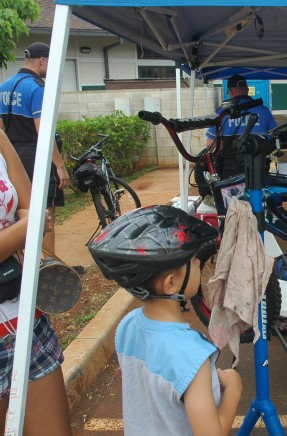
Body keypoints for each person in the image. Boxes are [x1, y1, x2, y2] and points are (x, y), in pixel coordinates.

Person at [87, 205, 242, 435]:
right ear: (171, 283)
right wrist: (233, 390)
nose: (199, 262)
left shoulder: (127, 326)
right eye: (192, 259)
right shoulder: (192, 356)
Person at [0, 129, 72, 435]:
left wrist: (31, 221)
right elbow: (34, 219)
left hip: (26, 317)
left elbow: (30, 203)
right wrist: (27, 227)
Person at [0, 42, 79, 272]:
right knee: (44, 214)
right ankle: (49, 267)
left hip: (11, 156)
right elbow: (43, 131)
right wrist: (60, 165)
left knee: (18, 215)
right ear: (42, 61)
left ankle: (25, 265)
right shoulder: (37, 88)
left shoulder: (4, 86)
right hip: (37, 156)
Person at [195, 74, 277, 197]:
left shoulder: (222, 113)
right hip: (258, 169)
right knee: (259, 205)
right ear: (247, 90)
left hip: (231, 172)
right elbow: (275, 139)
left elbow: (210, 144)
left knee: (233, 208)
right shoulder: (264, 110)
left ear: (231, 92)